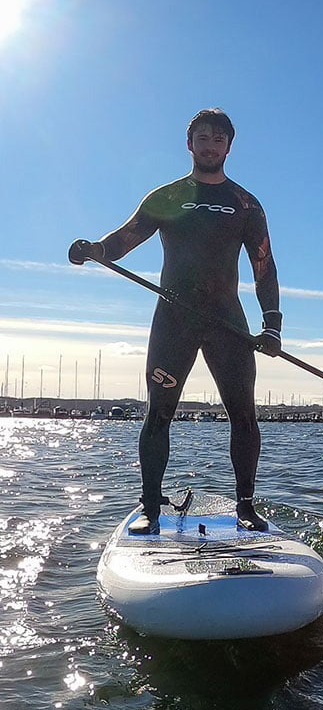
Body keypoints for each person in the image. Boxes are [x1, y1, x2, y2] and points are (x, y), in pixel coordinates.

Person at [68, 108, 282, 534]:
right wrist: (94, 249)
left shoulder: (245, 203)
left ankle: (245, 506)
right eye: (202, 138)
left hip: (227, 322)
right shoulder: (165, 197)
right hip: (174, 320)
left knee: (244, 416)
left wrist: (272, 324)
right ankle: (150, 506)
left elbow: (264, 266)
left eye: (218, 139)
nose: (210, 145)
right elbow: (125, 238)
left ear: (228, 147)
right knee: (159, 413)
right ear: (189, 145)